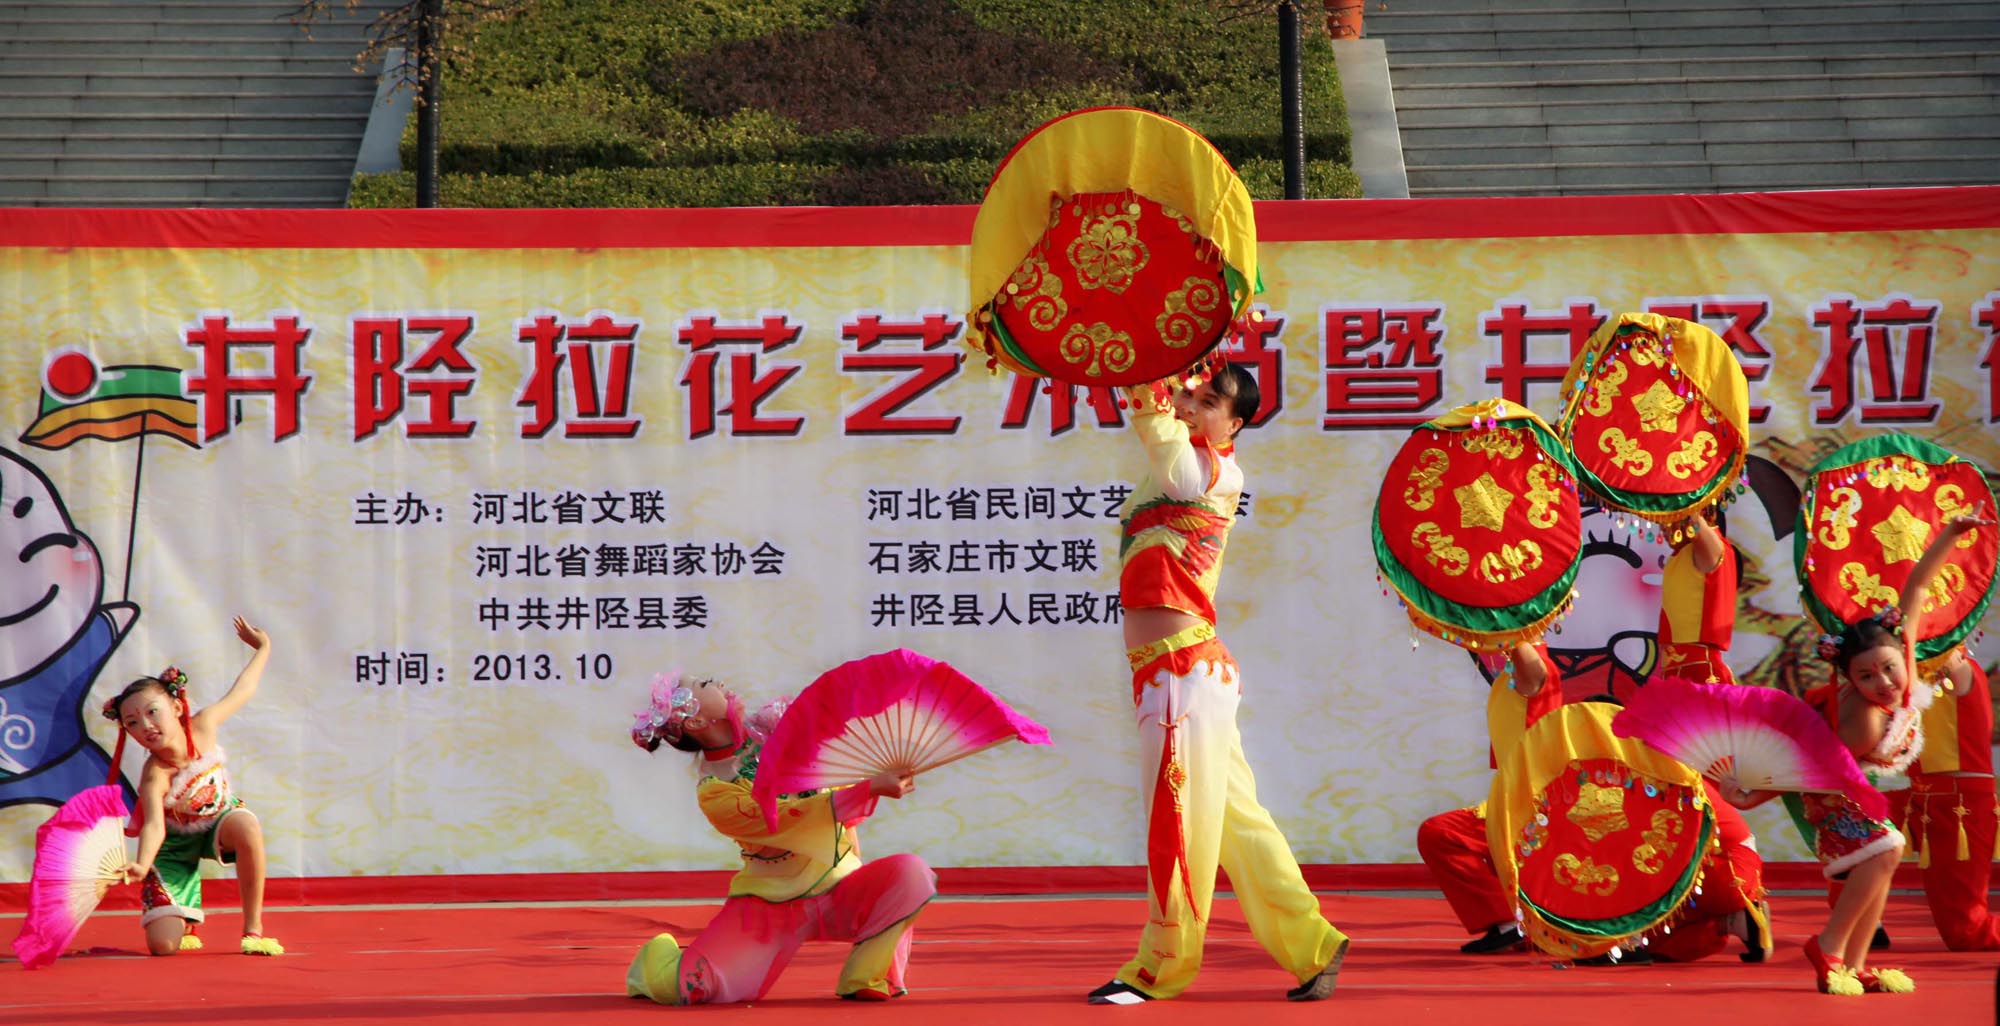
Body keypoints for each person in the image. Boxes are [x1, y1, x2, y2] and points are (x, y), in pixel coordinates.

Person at [1087, 365, 1349, 1005]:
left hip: (1181, 671)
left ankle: (1159, 966)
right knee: (1236, 823)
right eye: (1193, 395)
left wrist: (1144, 373)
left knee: (1174, 823)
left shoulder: (1208, 470)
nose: (1194, 407)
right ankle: (1312, 941)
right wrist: (1161, 381)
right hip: (1179, 672)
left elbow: (1162, 440)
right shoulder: (1178, 470)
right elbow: (1161, 445)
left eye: (1211, 402)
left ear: (1234, 424)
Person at [1722, 508, 1993, 994]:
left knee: (1887, 858)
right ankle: (1828, 949)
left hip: (1855, 791)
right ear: (1848, 679)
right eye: (1866, 677)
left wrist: (1951, 533)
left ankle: (1856, 963)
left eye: (1888, 669)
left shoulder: (1903, 656)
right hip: (1831, 797)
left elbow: (1916, 589)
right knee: (1888, 848)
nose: (1883, 683)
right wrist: (1750, 794)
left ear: (1902, 654)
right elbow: (1812, 768)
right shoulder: (1860, 718)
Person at [624, 673, 935, 1005]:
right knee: (691, 987)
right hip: (771, 906)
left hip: (839, 889)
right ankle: (655, 959)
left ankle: (866, 976)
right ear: (697, 720)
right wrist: (868, 789)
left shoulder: (780, 731)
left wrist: (869, 782)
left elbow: (837, 791)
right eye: (707, 684)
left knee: (910, 874)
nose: (722, 684)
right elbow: (783, 820)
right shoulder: (716, 791)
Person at [107, 616, 281, 956]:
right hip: (173, 848)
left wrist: (264, 648)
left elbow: (244, 689)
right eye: (132, 722)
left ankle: (254, 930)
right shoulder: (154, 774)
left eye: (152, 712)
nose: (146, 726)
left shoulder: (203, 726)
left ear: (175, 707)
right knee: (163, 947)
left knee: (247, 824)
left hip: (219, 821)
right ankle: (183, 917)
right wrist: (142, 864)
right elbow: (155, 825)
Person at [1416, 641, 1563, 954]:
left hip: (1531, 810)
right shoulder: (1509, 675)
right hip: (1516, 802)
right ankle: (1520, 921)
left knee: (1440, 833)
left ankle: (1510, 922)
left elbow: (1531, 671)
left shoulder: (1536, 671)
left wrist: (1501, 608)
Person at [1901, 645, 2000, 949]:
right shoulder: (1906, 672)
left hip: (1960, 807)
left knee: (1966, 932)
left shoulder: (1956, 666)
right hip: (1924, 803)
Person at [1658, 510, 1736, 685]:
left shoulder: (1713, 546)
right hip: (1675, 671)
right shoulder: (1682, 554)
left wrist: (1683, 489)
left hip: (1701, 672)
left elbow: (1692, 514)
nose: (1663, 525)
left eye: (1669, 518)